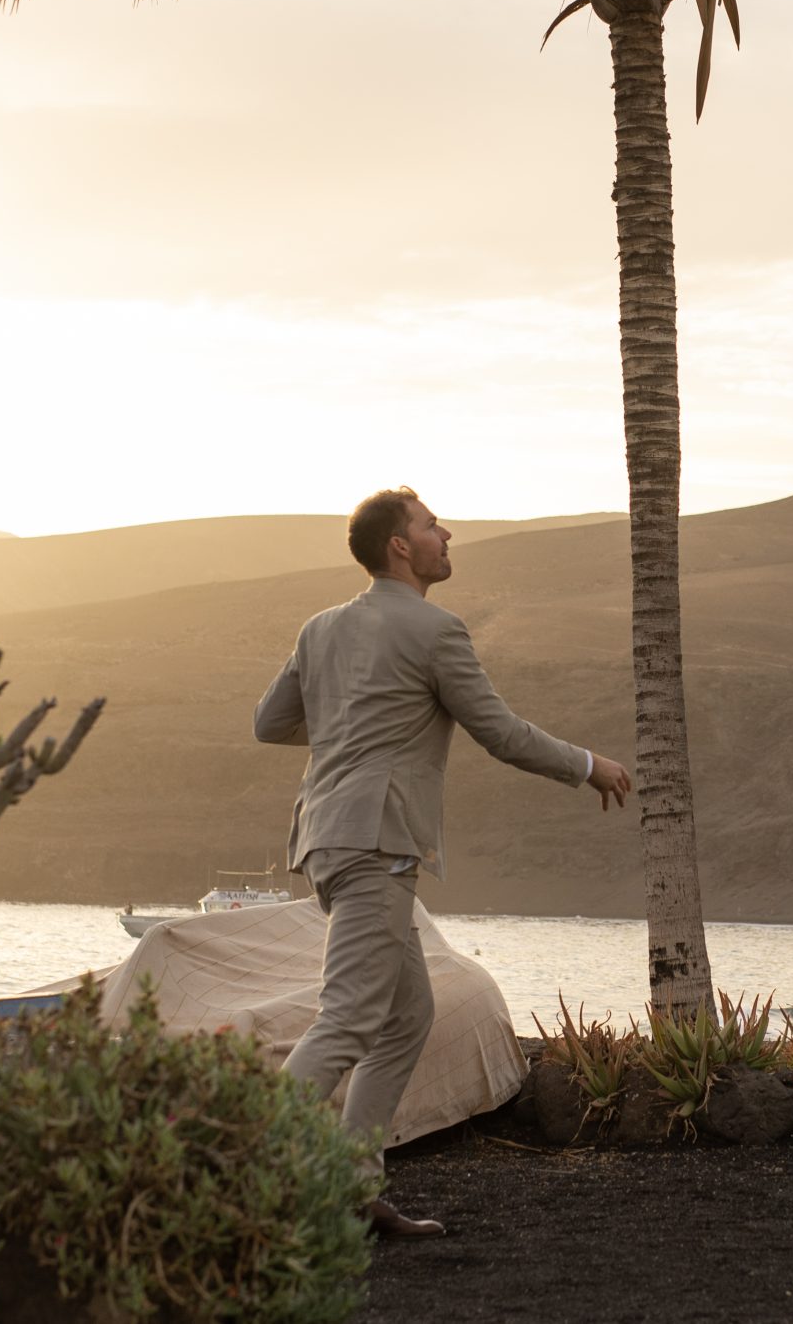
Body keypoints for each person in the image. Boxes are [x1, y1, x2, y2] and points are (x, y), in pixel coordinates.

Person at [255, 487, 634, 1237]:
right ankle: (237, 1169)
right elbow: (499, 731)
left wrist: (354, 720)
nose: (446, 532)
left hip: (327, 837)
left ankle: (352, 1190)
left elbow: (271, 723)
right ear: (400, 546)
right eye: (431, 525)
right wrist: (589, 764)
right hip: (377, 839)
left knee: (408, 1016)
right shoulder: (435, 629)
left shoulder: (321, 627)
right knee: (349, 1017)